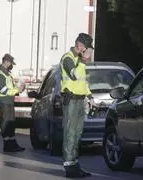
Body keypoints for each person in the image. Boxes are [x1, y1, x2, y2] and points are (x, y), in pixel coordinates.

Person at [59, 33, 95, 178]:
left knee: (78, 133)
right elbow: (73, 75)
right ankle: (69, 166)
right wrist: (83, 59)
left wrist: (89, 96)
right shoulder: (68, 58)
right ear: (80, 45)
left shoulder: (79, 61)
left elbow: (83, 83)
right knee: (70, 133)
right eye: (86, 48)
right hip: (71, 100)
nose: (87, 51)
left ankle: (74, 163)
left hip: (80, 100)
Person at [0, 53, 26, 152]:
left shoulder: (7, 73)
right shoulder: (0, 75)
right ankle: (7, 144)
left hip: (9, 101)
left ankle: (13, 144)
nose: (12, 65)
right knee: (6, 123)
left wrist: (19, 88)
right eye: (11, 63)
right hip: (4, 101)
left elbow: (11, 87)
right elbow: (4, 90)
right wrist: (17, 90)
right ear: (6, 62)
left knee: (11, 123)